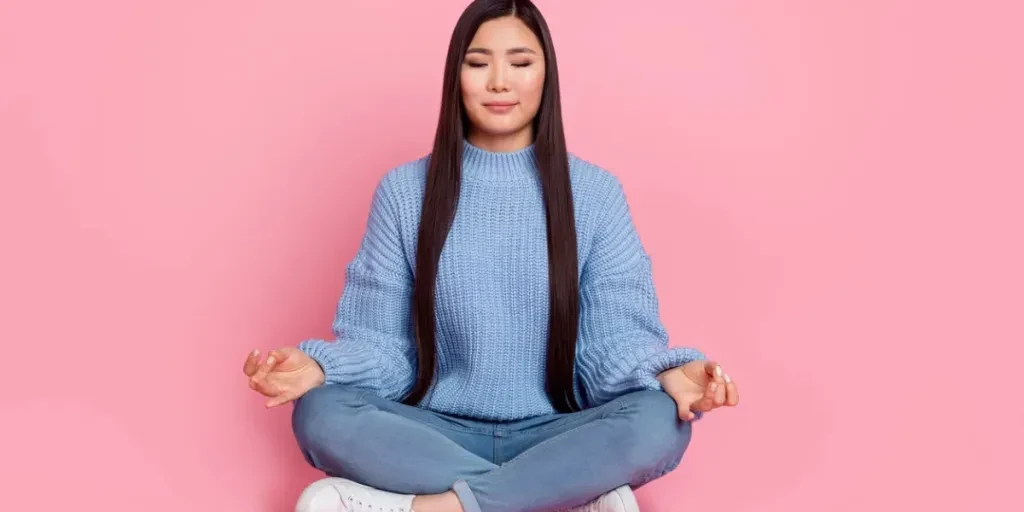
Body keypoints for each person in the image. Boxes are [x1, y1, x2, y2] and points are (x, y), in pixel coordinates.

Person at [242, 1, 739, 511]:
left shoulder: (593, 194)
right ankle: (557, 496)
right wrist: (320, 368)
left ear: (547, 75)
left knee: (660, 422)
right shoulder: (405, 192)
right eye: (478, 63)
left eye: (520, 63)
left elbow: (610, 345)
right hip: (435, 433)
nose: (499, 82)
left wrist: (664, 375)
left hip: (555, 432)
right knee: (320, 413)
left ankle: (435, 507)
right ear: (454, 75)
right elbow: (385, 349)